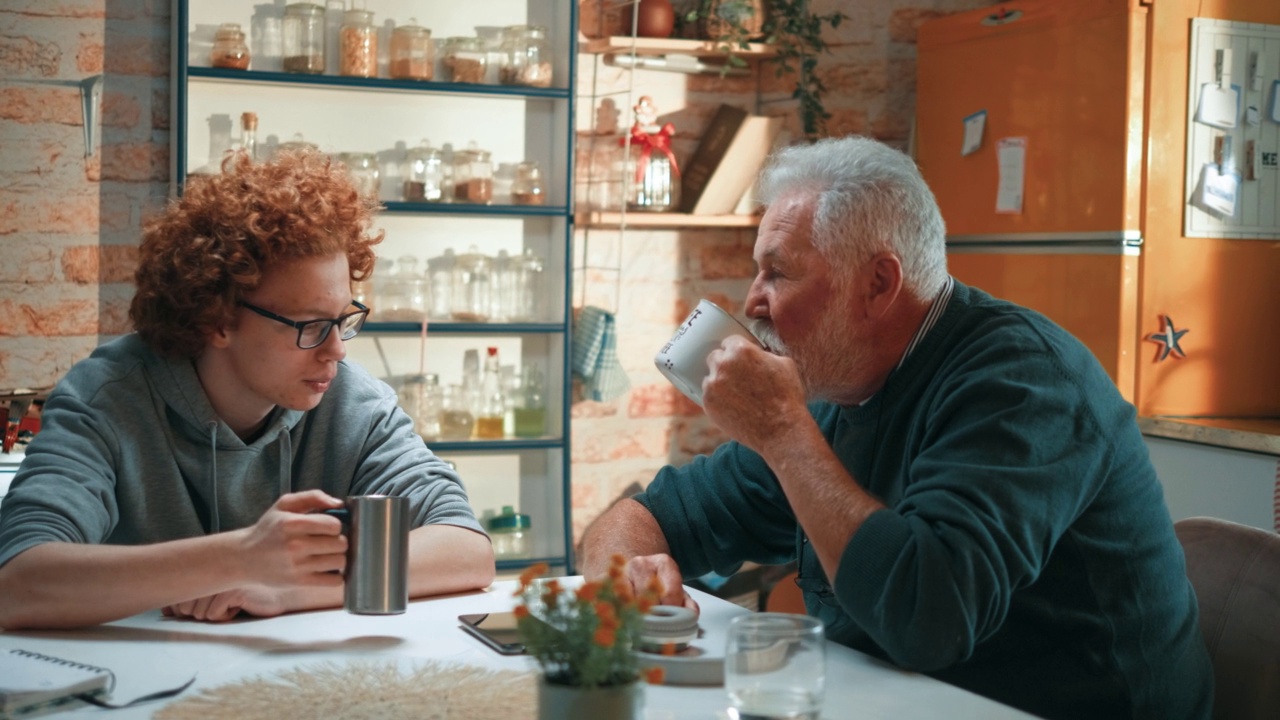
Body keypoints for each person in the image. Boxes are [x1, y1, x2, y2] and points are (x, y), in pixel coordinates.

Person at [580, 136, 1213, 719]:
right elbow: (645, 517)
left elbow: (929, 619)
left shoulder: (1025, 384)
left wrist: (780, 431)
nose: (751, 301)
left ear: (878, 284)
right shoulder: (839, 385)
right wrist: (629, 577)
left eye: (778, 272)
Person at [0, 150, 494, 630]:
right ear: (217, 318)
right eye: (308, 325)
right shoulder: (107, 397)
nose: (336, 351)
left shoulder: (353, 403)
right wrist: (242, 558)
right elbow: (18, 583)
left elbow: (466, 550)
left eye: (343, 320)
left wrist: (290, 590)